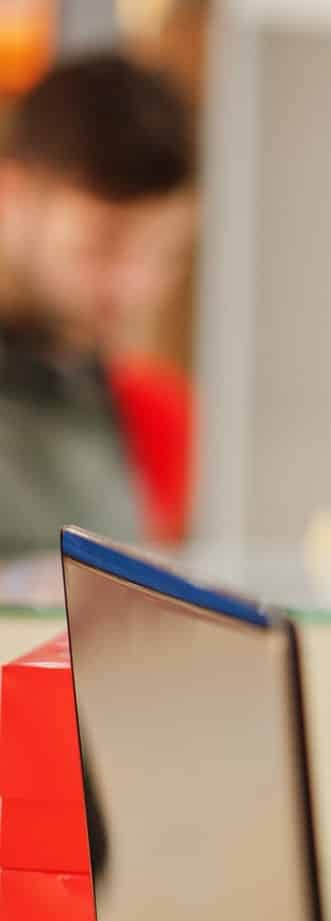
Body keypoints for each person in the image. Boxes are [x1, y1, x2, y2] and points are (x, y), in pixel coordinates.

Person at [0, 53, 196, 559]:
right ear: (11, 195)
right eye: (102, 245)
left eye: (160, 253)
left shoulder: (152, 413)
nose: (132, 288)